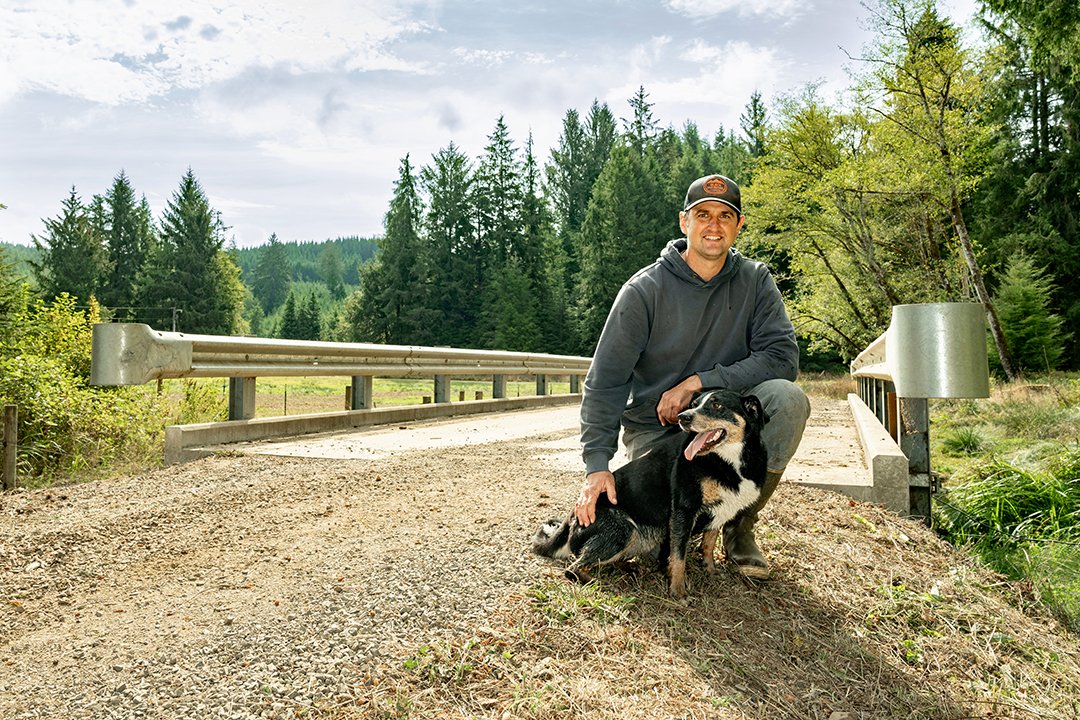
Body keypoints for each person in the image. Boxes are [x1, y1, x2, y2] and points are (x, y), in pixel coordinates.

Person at [575, 173, 810, 580]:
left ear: (739, 226)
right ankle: (693, 526)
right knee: (653, 549)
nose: (713, 226)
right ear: (685, 222)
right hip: (659, 431)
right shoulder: (644, 291)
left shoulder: (755, 281)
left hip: (722, 426)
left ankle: (738, 526)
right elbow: (606, 381)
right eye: (703, 214)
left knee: (788, 399)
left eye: (725, 216)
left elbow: (782, 358)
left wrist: (700, 382)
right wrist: (597, 464)